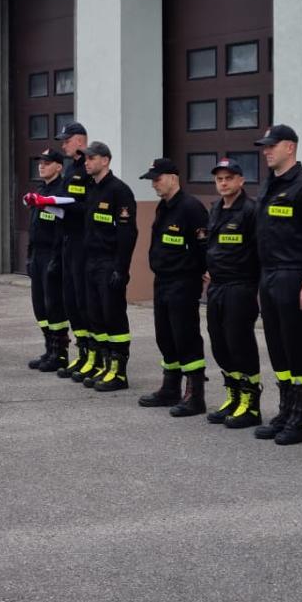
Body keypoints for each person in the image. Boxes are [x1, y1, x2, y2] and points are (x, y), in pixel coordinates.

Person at [252, 124, 302, 444]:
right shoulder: (269, 184)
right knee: (277, 345)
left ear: (290, 147)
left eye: (272, 145)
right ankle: (286, 409)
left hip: (294, 274)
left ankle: (301, 417)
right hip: (269, 274)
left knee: (298, 345)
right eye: (265, 146)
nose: (266, 151)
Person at [135, 157, 209, 413]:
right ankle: (170, 388)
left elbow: (203, 246)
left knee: (185, 336)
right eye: (152, 180)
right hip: (163, 280)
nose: (154, 184)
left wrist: (203, 272)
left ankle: (195, 395)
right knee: (165, 336)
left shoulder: (191, 207)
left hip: (183, 281)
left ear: (173, 178)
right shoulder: (164, 207)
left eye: (157, 179)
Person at [201, 158, 265, 429]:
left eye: (229, 178)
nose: (223, 183)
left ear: (241, 180)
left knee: (240, 343)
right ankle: (234, 395)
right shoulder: (216, 208)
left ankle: (250, 404)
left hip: (240, 286)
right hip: (216, 287)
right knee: (220, 342)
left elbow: (260, 250)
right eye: (219, 179)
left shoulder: (251, 210)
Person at [77, 142, 138, 392]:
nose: (86, 162)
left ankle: (119, 372)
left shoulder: (119, 191)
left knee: (114, 317)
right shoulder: (91, 188)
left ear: (105, 160)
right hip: (91, 261)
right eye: (86, 158)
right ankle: (105, 365)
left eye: (91, 158)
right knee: (95, 316)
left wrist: (121, 269)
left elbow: (127, 233)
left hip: (109, 263)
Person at [48, 123, 95, 380]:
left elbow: (88, 206)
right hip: (67, 239)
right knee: (71, 300)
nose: (63, 144)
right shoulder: (70, 169)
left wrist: (63, 205)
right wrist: (49, 204)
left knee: (83, 300)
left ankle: (94, 356)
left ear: (79, 140)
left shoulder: (88, 168)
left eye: (67, 140)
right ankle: (83, 353)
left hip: (82, 242)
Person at [22, 148, 71, 372]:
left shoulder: (61, 192)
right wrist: (29, 255)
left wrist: (57, 259)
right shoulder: (40, 190)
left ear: (59, 167)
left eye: (47, 163)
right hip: (38, 255)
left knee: (54, 306)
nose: (41, 166)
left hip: (53, 254)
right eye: (40, 162)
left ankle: (60, 353)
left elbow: (62, 229)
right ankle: (49, 348)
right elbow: (34, 227)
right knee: (39, 306)